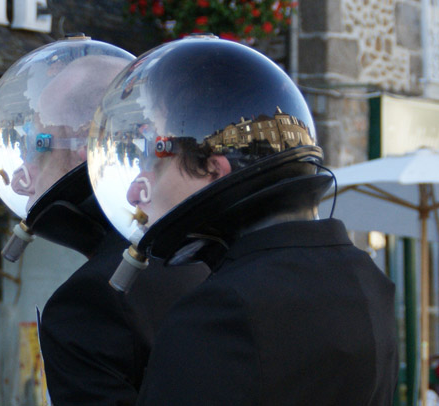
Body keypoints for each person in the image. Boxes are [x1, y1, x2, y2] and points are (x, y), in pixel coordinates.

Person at [88, 35, 399, 405]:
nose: (136, 191)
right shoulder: (366, 276)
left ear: (213, 169)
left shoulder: (221, 311)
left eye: (157, 159)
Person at [0, 35, 209, 405]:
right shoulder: (213, 250)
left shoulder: (90, 301)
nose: (23, 177)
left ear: (86, 144)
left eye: (39, 144)